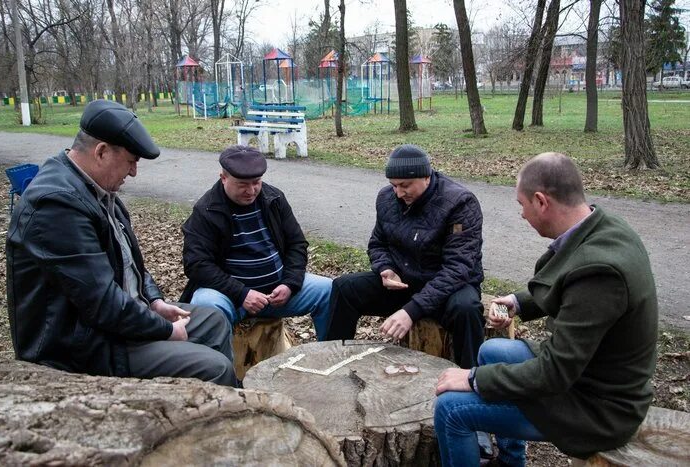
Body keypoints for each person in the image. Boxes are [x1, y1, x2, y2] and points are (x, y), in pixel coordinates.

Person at [433, 153, 658, 467]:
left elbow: (554, 373)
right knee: (493, 350)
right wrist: (519, 301)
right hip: (590, 374)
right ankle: (512, 462)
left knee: (450, 410)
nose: (522, 215)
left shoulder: (600, 271)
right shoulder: (603, 226)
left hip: (599, 409)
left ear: (541, 201)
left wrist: (473, 379)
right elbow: (573, 286)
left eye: (522, 204)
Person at [6, 99, 236, 386]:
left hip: (115, 323)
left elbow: (129, 262)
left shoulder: (95, 189)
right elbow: (101, 303)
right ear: (101, 152)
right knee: (215, 367)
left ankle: (222, 405)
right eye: (130, 161)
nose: (134, 172)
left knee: (214, 321)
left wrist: (153, 300)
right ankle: (219, 418)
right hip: (82, 345)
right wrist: (164, 330)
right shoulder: (56, 204)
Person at [326, 144, 485, 367]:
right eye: (394, 186)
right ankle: (331, 361)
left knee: (467, 309)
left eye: (405, 186)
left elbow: (458, 268)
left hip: (448, 288)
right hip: (404, 283)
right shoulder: (387, 198)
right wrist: (386, 269)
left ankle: (471, 377)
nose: (399, 193)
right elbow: (377, 243)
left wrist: (411, 311)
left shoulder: (460, 203)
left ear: (426, 177)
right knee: (345, 288)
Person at [179, 145, 332, 340]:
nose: (251, 191)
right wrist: (242, 294)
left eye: (256, 182)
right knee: (206, 304)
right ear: (223, 177)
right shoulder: (207, 210)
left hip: (276, 293)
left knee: (330, 290)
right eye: (242, 184)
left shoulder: (273, 198)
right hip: (231, 297)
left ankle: (329, 358)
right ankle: (223, 369)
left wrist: (289, 283)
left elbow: (297, 243)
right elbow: (196, 264)